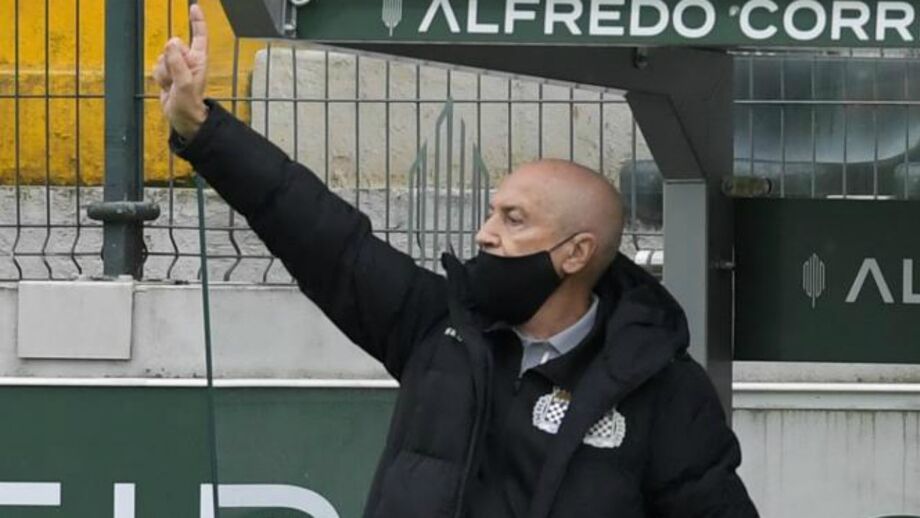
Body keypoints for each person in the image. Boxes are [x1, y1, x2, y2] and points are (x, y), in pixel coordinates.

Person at [154, 6, 758, 518]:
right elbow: (318, 232)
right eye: (492, 212)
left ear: (576, 253)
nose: (485, 234)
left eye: (514, 219)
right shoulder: (437, 325)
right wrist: (201, 128)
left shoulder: (660, 388)